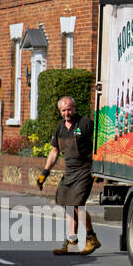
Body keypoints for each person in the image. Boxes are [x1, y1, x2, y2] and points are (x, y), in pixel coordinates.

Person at [39, 96, 99, 255]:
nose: (67, 113)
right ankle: (72, 242)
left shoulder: (85, 123)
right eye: (64, 110)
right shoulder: (60, 128)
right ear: (60, 111)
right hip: (70, 171)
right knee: (68, 205)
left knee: (78, 204)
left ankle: (91, 237)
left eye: (69, 109)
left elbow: (99, 145)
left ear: (75, 108)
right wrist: (44, 173)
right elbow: (54, 152)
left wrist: (99, 169)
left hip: (85, 169)